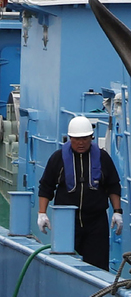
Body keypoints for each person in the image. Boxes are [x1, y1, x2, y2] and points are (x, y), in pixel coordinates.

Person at [38, 116, 123, 271]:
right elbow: (46, 186)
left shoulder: (103, 158)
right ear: (70, 138)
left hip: (96, 222)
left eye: (85, 138)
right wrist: (42, 213)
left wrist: (117, 212)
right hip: (67, 222)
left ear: (92, 137)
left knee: (98, 266)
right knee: (64, 264)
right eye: (77, 139)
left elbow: (113, 186)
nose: (81, 143)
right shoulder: (58, 158)